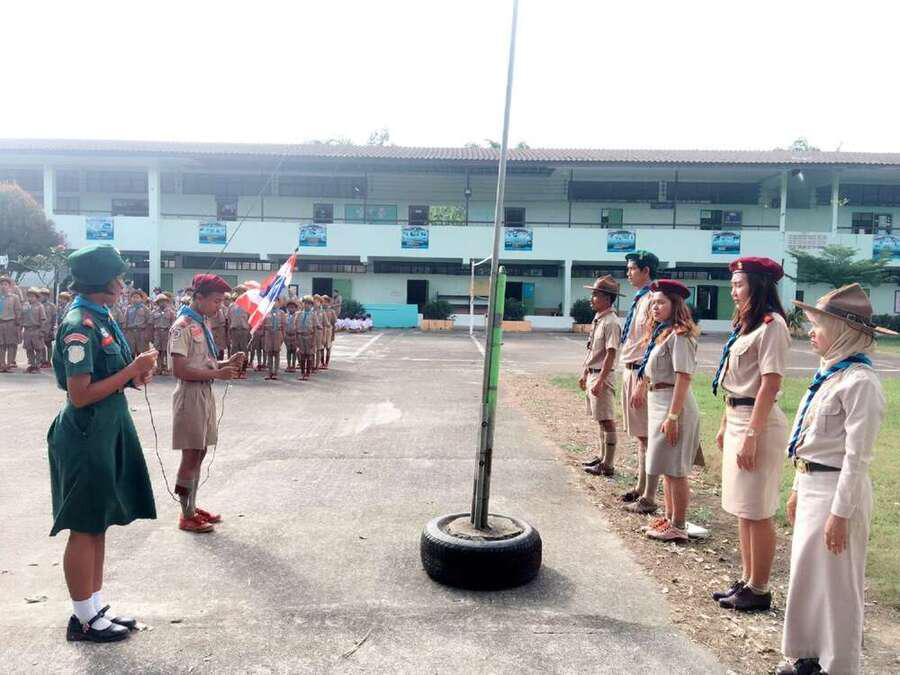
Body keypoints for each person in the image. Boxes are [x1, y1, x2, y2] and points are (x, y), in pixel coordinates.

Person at [776, 284, 893, 675]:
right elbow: (809, 439)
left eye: (819, 325)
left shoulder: (860, 382)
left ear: (844, 331)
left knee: (838, 586)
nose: (811, 332)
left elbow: (857, 458)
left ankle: (838, 666)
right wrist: (797, 487)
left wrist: (841, 514)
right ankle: (808, 655)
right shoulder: (830, 374)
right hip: (812, 485)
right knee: (809, 577)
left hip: (839, 491)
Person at [47, 244, 158, 642]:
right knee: (84, 525)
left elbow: (113, 377)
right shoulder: (80, 324)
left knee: (99, 523)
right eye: (118, 278)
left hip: (107, 429)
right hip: (86, 434)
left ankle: (94, 609)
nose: (123, 284)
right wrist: (130, 370)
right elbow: (80, 395)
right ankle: (82, 620)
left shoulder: (102, 318)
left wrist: (137, 374)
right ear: (103, 282)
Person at [711, 257, 790, 612]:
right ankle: (746, 580)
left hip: (758, 423)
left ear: (758, 286)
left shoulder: (773, 326)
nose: (733, 291)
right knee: (744, 508)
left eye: (739, 284)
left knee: (758, 509)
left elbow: (769, 385)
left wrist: (752, 434)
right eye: (732, 285)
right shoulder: (747, 326)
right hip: (738, 416)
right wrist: (726, 424)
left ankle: (760, 588)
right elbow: (735, 383)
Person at [169, 274, 245, 533]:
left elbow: (203, 362)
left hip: (204, 392)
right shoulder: (182, 326)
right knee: (190, 455)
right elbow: (179, 370)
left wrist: (225, 363)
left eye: (222, 301)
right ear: (198, 297)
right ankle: (185, 514)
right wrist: (218, 374)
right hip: (190, 395)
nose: (219, 306)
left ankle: (192, 506)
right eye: (215, 301)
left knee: (200, 453)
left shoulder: (201, 323)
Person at [632, 279, 701, 543]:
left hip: (674, 404)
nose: (655, 307)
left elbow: (684, 377)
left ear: (675, 304)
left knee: (675, 469)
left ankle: (679, 525)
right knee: (665, 466)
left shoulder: (680, 335)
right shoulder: (663, 333)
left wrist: (673, 416)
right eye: (653, 303)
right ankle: (670, 519)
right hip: (659, 400)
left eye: (661, 302)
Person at [617, 250, 661, 513]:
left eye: (632, 269)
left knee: (647, 437)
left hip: (640, 372)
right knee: (640, 436)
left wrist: (643, 381)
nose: (628, 274)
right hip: (630, 369)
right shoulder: (640, 299)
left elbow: (652, 342)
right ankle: (640, 486)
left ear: (646, 271)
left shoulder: (653, 300)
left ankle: (649, 496)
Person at [579, 276, 623, 477]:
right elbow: (592, 351)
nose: (592, 298)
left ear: (607, 298)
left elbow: (610, 353)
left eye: (595, 294)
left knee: (607, 420)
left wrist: (601, 380)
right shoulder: (599, 319)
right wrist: (585, 373)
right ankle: (602, 457)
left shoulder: (611, 322)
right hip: (593, 374)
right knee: (600, 419)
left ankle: (608, 464)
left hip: (602, 376)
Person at [21, 287, 47, 373]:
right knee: (29, 349)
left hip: (36, 329)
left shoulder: (40, 306)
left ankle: (37, 366)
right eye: (29, 296)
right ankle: (32, 365)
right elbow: (22, 317)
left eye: (32, 296)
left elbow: (43, 320)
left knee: (38, 348)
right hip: (27, 330)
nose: (30, 298)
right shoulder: (26, 306)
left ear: (37, 297)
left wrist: (42, 331)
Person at [0, 275, 22, 372]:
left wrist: (18, 325)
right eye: (1, 284)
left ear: (9, 286)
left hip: (11, 323)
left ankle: (9, 364)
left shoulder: (14, 298)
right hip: (0, 323)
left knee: (10, 345)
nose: (3, 286)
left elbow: (18, 311)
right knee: (1, 345)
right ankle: (2, 364)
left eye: (5, 284)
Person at [228, 287, 251, 378]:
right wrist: (229, 331)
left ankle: (243, 371)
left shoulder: (247, 305)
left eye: (242, 293)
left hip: (244, 330)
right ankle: (234, 370)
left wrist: (249, 331)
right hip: (234, 330)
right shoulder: (231, 306)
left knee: (244, 350)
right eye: (238, 293)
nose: (239, 295)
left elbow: (250, 319)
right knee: (234, 350)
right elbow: (229, 319)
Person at [151, 293, 176, 374]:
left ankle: (167, 368)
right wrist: (151, 335)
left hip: (166, 332)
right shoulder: (154, 312)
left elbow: (174, 324)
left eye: (163, 301)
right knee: (158, 351)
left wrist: (172, 334)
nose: (162, 303)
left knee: (166, 351)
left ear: (167, 302)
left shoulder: (171, 312)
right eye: (160, 301)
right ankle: (159, 367)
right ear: (157, 303)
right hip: (157, 333)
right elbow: (151, 324)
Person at [262, 300, 285, 380]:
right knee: (269, 353)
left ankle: (276, 372)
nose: (274, 303)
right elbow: (263, 324)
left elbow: (283, 325)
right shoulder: (266, 312)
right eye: (272, 301)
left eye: (276, 301)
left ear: (279, 303)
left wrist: (283, 336)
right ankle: (269, 372)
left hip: (277, 333)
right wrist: (264, 333)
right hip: (268, 333)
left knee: (276, 353)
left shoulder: (281, 313)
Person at [123, 290, 149, 357]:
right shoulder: (128, 308)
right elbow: (125, 320)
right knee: (131, 351)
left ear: (141, 299)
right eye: (133, 297)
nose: (135, 299)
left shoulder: (145, 309)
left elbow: (149, 321)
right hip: (130, 332)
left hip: (141, 332)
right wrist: (124, 332)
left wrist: (147, 333)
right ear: (131, 299)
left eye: (137, 297)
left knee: (141, 352)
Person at [297, 296, 316, 380]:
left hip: (309, 336)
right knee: (302, 355)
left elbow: (315, 328)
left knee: (308, 355)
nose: (306, 305)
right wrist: (297, 339)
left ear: (311, 305)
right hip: (301, 336)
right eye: (305, 303)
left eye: (309, 304)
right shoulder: (299, 314)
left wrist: (313, 340)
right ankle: (302, 373)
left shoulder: (313, 315)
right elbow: (296, 326)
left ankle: (307, 373)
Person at [40, 288, 57, 368]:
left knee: (48, 344)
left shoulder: (51, 306)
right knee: (41, 345)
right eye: (41, 295)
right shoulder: (39, 305)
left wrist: (52, 328)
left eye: (44, 295)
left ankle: (49, 361)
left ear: (47, 296)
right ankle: (43, 360)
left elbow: (54, 317)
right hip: (40, 328)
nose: (43, 297)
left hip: (48, 328)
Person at [283, 299, 300, 372]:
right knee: (288, 350)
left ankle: (293, 365)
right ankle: (289, 365)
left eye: (293, 307)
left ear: (296, 308)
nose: (291, 309)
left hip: (294, 335)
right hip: (287, 335)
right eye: (289, 307)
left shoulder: (297, 316)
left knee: (294, 350)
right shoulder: (285, 316)